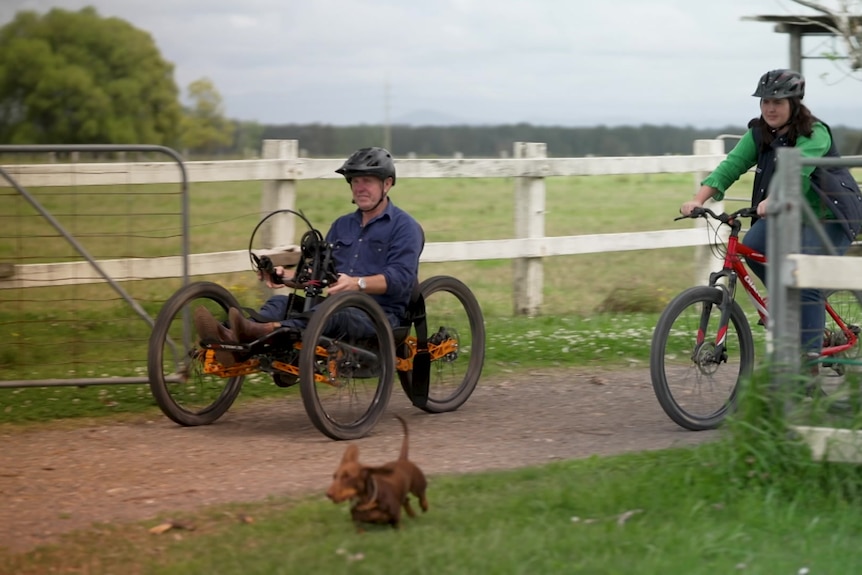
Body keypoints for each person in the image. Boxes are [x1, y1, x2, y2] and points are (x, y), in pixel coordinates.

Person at [680, 69, 862, 367]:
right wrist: (698, 200)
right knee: (753, 246)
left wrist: (773, 200)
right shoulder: (760, 133)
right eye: (765, 101)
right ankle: (788, 308)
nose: (770, 108)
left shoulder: (815, 134)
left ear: (794, 103)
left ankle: (808, 365)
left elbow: (796, 174)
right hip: (789, 215)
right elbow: (731, 166)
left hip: (831, 217)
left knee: (808, 282)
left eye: (777, 101)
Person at [194, 146, 425, 366]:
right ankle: (230, 335)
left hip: (380, 316)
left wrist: (357, 284)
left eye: (367, 181)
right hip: (336, 307)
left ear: (387, 183)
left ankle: (257, 333)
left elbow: (401, 279)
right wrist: (284, 277)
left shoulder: (405, 227)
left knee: (332, 314)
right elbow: (319, 275)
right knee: (281, 302)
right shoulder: (342, 225)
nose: (360, 187)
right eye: (355, 181)